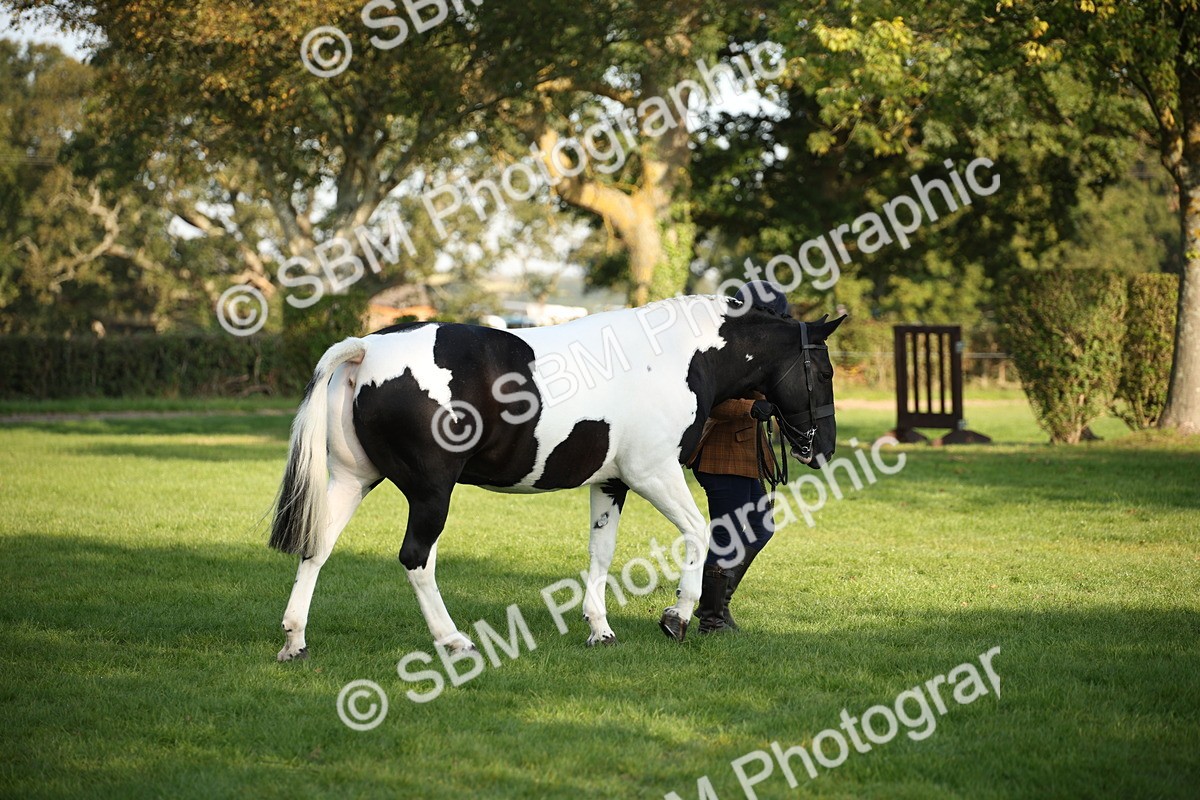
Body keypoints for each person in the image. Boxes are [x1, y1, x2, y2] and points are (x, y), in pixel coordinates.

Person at [685, 281, 788, 633]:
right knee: (727, 535)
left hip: (745, 454)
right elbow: (710, 403)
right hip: (719, 454)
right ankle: (711, 619)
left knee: (761, 527)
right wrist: (752, 407)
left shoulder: (755, 351)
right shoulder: (724, 351)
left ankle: (716, 604)